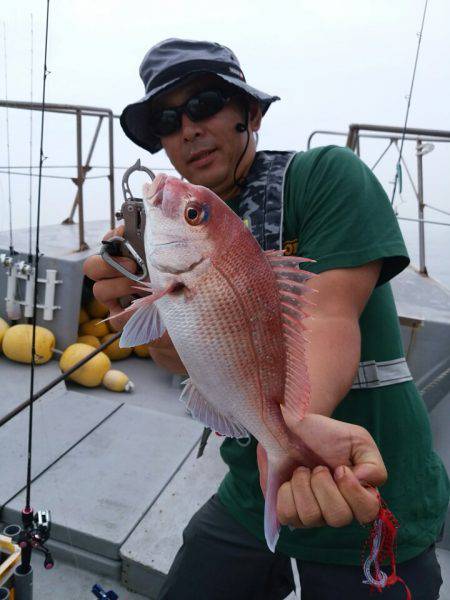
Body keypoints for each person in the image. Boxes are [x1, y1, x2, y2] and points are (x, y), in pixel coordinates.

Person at [83, 39, 449, 599]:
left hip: (364, 485)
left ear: (249, 113)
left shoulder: (326, 176)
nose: (188, 129)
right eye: (166, 119)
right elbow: (188, 363)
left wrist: (291, 432)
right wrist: (138, 305)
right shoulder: (169, 240)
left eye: (204, 104)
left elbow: (327, 316)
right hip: (250, 489)